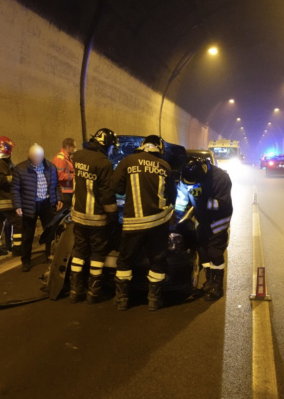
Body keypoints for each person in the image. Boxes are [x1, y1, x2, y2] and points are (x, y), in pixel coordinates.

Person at [111, 135, 176, 311]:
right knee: (157, 261)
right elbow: (172, 196)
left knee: (125, 260)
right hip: (158, 223)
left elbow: (115, 187)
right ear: (159, 148)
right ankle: (154, 300)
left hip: (134, 223)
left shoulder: (128, 161)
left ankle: (122, 299)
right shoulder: (165, 166)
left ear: (142, 146)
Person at [69, 129, 119, 304]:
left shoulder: (78, 156)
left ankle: (75, 290)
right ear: (106, 144)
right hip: (96, 218)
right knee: (98, 254)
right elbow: (106, 194)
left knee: (79, 251)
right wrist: (113, 215)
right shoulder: (103, 163)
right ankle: (94, 292)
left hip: (78, 215)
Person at [177, 157, 233, 301]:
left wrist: (203, 201)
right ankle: (208, 283)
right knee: (203, 252)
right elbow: (183, 196)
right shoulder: (188, 176)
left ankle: (217, 287)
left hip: (218, 220)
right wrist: (177, 214)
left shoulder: (220, 177)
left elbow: (223, 204)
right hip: (202, 220)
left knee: (215, 253)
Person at [12, 144, 63, 272]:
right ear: (29, 156)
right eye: (34, 157)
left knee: (49, 232)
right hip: (29, 205)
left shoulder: (50, 167)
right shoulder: (20, 169)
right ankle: (26, 261)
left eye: (39, 157)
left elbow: (56, 185)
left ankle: (50, 256)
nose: (37, 160)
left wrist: (59, 198)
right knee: (28, 235)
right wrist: (17, 205)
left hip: (46, 203)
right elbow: (15, 190)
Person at [0, 136, 22, 258]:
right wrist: (15, 178)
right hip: (5, 200)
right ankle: (18, 248)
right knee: (18, 221)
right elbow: (0, 180)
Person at [53, 138, 76, 209]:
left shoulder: (67, 158)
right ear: (69, 147)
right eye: (74, 147)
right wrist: (75, 176)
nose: (75, 149)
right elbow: (59, 176)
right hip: (64, 193)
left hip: (69, 191)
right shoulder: (60, 158)